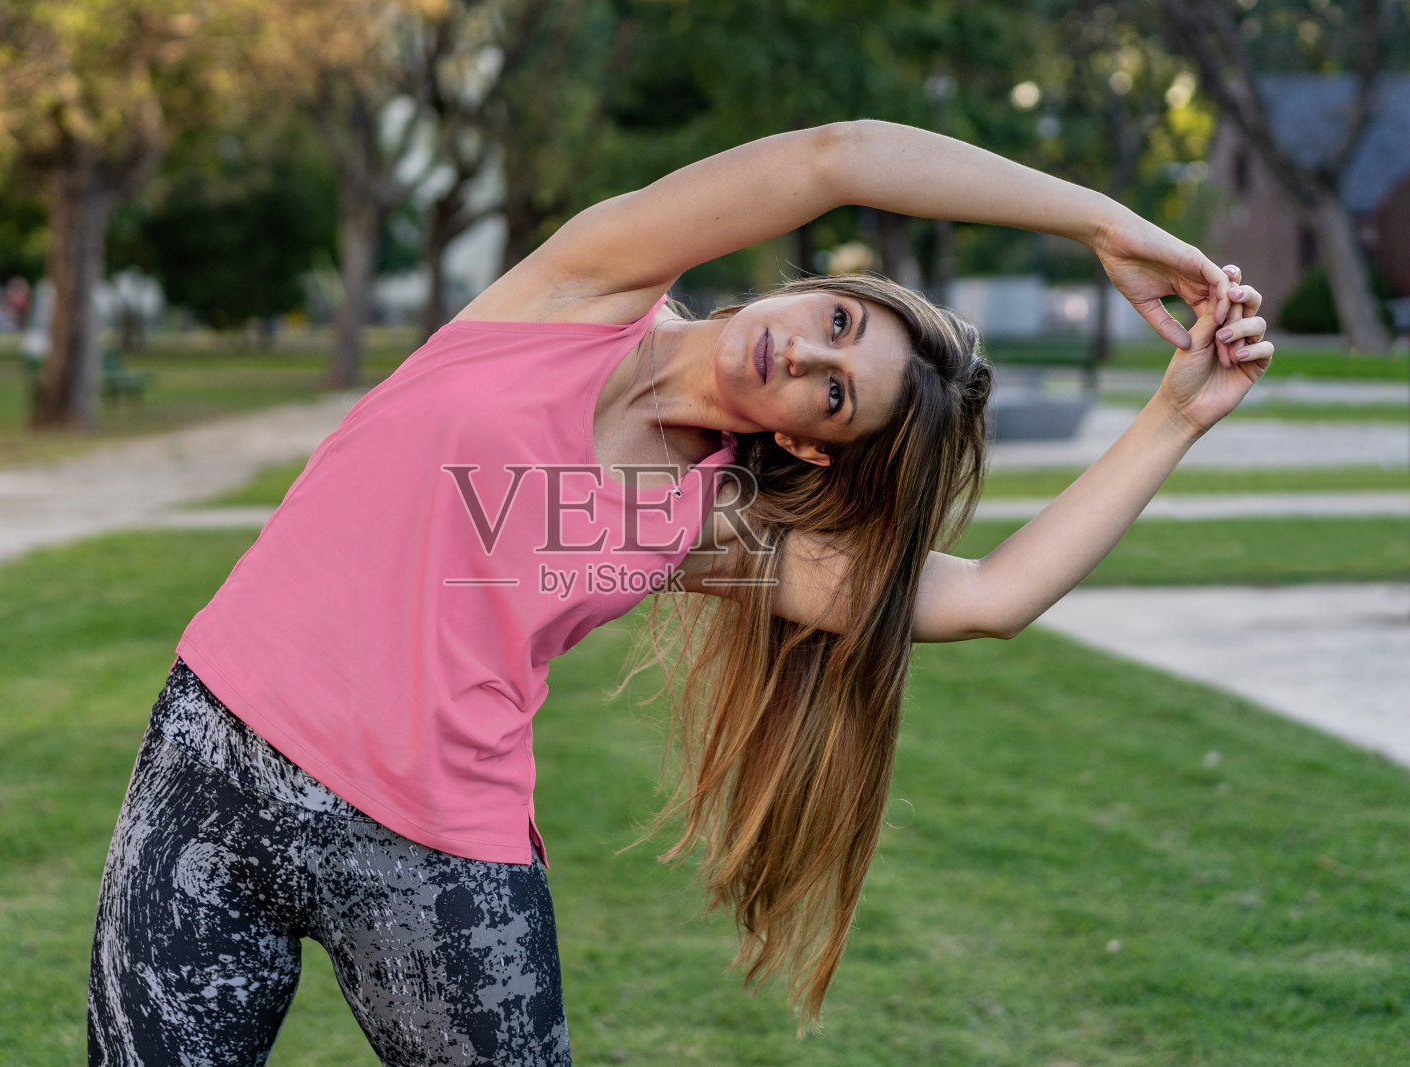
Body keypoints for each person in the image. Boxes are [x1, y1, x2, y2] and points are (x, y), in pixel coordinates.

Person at [87, 120, 1272, 1066]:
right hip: (211, 757)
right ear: (813, 289)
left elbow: (985, 596)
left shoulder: (706, 522)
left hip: (432, 851)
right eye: (836, 322)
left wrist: (1172, 415)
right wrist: (1104, 221)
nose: (806, 356)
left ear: (813, 447)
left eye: (832, 394)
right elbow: (836, 157)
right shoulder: (582, 288)